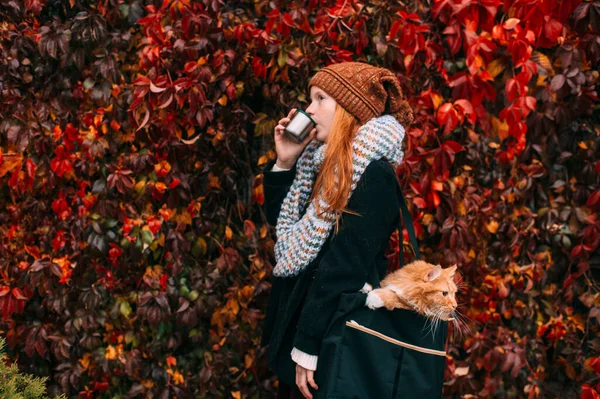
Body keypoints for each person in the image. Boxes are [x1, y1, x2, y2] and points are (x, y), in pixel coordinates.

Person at [260, 61, 414, 399]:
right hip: (303, 323)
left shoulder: (374, 175)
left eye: (320, 99)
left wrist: (307, 344)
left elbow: (344, 266)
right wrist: (285, 162)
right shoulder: (320, 161)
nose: (309, 110)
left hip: (330, 336)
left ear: (348, 109)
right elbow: (283, 226)